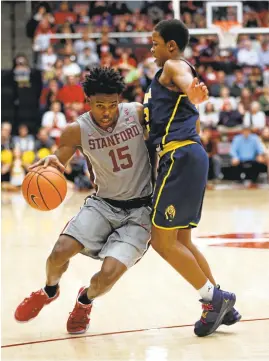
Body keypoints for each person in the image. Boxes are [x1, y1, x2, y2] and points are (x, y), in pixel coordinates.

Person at [14, 67, 152, 334]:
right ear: (87, 101)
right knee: (59, 251)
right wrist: (53, 167)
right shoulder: (77, 131)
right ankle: (49, 290)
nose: (107, 111)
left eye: (112, 104)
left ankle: (84, 301)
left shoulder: (136, 113)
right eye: (100, 105)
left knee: (108, 275)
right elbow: (58, 163)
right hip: (103, 203)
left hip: (141, 209)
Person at [144, 19, 240, 337]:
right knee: (182, 241)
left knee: (161, 241)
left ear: (171, 46)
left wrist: (193, 93)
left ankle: (213, 300)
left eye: (155, 42)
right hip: (191, 156)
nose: (151, 47)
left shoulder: (173, 65)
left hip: (180, 156)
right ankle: (218, 300)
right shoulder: (166, 73)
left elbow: (186, 80)